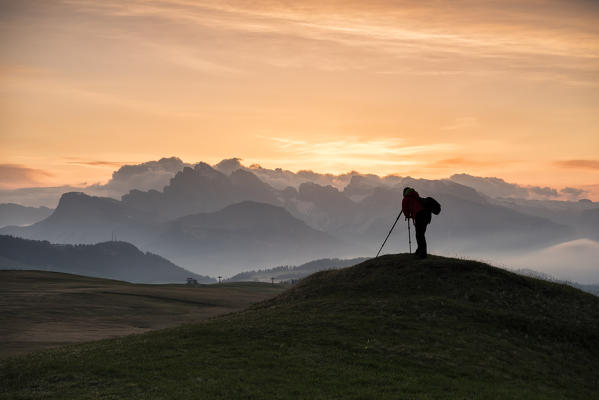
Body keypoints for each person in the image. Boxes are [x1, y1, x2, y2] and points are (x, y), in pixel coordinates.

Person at [401, 187, 432, 259]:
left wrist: (408, 216)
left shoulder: (406, 199)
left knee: (419, 235)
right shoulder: (416, 196)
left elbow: (405, 211)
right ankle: (420, 251)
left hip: (420, 216)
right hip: (427, 215)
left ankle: (423, 254)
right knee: (420, 234)